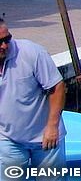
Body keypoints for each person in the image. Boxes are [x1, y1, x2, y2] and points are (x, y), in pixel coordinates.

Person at [0, 20, 66, 172]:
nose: (4, 46)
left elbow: (57, 87)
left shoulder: (32, 52)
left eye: (7, 39)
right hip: (7, 139)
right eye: (0, 42)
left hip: (45, 135)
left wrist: (52, 127)